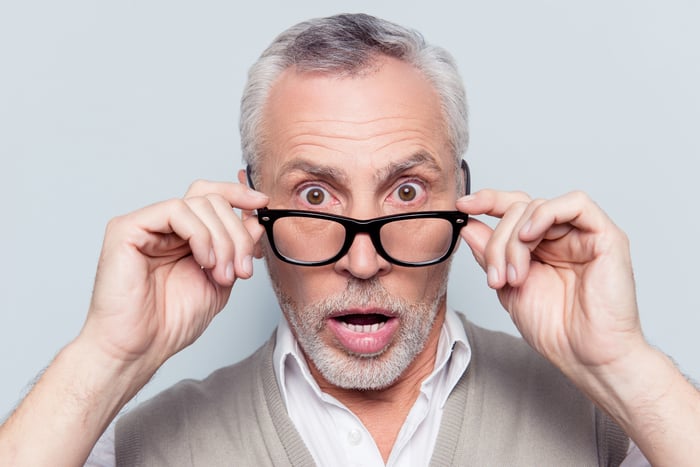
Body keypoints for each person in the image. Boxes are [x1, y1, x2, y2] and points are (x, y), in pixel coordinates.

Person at [0, 13, 698, 466]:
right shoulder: (137, 446)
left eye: (405, 192)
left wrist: (623, 364)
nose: (363, 260)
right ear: (248, 209)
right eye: (313, 196)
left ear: (463, 200)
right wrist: (106, 356)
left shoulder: (608, 429)